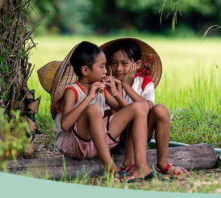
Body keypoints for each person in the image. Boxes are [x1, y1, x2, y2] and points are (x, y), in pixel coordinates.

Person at [53, 41, 155, 182]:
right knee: (93, 109)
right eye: (102, 67)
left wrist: (116, 93)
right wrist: (88, 98)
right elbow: (65, 125)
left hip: (98, 144)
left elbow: (126, 113)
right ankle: (111, 168)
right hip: (74, 145)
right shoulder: (72, 91)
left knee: (139, 107)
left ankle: (140, 166)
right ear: (85, 71)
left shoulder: (101, 89)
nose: (106, 71)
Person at [104, 39, 189, 178]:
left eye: (124, 63)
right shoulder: (106, 84)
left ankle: (162, 164)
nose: (118, 69)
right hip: (115, 139)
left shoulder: (144, 83)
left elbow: (147, 107)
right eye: (113, 63)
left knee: (160, 109)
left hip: (140, 135)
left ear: (137, 64)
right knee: (135, 114)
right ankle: (129, 163)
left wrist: (125, 86)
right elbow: (116, 115)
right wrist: (116, 91)